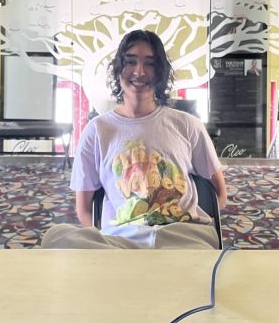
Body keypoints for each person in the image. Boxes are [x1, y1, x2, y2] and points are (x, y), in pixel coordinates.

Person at [43, 30, 227, 249]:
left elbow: (219, 193)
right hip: (123, 242)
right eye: (130, 62)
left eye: (149, 64)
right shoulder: (96, 131)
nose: (139, 72)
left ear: (160, 72)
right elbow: (84, 209)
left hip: (181, 237)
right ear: (118, 68)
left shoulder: (188, 125)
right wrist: (107, 243)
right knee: (56, 236)